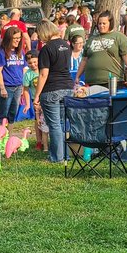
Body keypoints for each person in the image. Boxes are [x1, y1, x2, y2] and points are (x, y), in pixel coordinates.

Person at [34, 20, 73, 163]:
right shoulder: (66, 46)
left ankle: (57, 157)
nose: (39, 38)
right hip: (67, 87)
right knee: (62, 124)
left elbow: (43, 74)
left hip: (52, 89)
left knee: (54, 125)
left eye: (39, 34)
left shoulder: (47, 49)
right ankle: (65, 155)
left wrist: (37, 95)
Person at [77, 11, 127, 88]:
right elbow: (84, 60)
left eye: (104, 23)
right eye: (99, 23)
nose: (101, 26)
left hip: (112, 82)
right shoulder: (91, 39)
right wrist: (77, 76)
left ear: (110, 23)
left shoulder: (119, 37)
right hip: (91, 83)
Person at [0, 27, 26, 126]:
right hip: (6, 86)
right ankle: (0, 134)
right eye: (15, 38)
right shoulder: (0, 52)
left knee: (12, 114)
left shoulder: (20, 52)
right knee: (3, 114)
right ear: (9, 38)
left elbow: (24, 69)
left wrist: (23, 86)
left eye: (19, 38)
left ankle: (10, 134)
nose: (17, 40)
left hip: (18, 86)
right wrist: (2, 88)